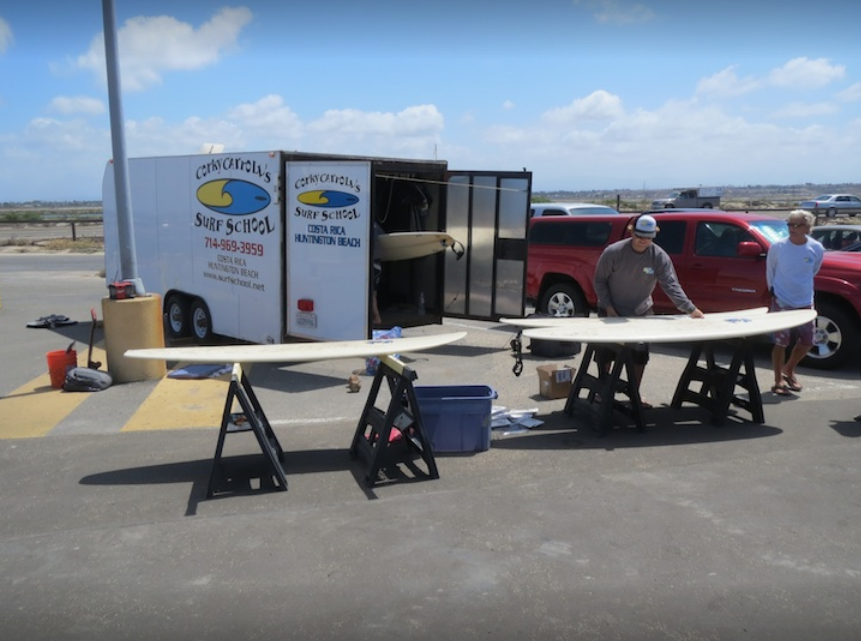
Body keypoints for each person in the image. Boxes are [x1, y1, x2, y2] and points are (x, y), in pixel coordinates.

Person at [593, 214, 704, 405]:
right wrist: (608, 307)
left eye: (648, 236)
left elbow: (671, 285)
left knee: (639, 355)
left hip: (641, 311)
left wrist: (691, 309)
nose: (642, 240)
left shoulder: (659, 257)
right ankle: (603, 391)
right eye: (639, 235)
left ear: (654, 235)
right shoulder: (613, 252)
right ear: (632, 232)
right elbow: (599, 281)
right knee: (605, 353)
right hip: (611, 310)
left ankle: (634, 394)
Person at [766, 209, 824, 396]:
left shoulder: (816, 248)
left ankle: (789, 369)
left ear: (807, 227)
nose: (791, 228)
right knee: (780, 342)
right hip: (781, 301)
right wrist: (774, 294)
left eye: (796, 225)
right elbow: (771, 272)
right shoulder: (778, 247)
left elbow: (813, 270)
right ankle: (778, 380)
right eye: (789, 224)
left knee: (808, 342)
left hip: (805, 301)